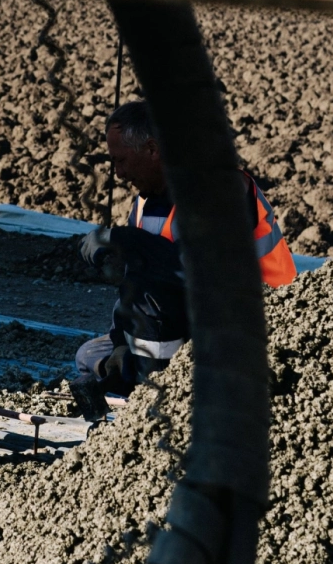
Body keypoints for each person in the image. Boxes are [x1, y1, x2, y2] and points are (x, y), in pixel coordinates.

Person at [75, 100, 296, 396]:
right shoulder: (147, 199)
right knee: (89, 353)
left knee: (154, 293)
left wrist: (123, 239)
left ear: (153, 149)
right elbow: (133, 279)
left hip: (259, 327)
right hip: (196, 322)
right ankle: (135, 370)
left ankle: (151, 384)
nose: (118, 174)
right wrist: (117, 343)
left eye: (122, 161)